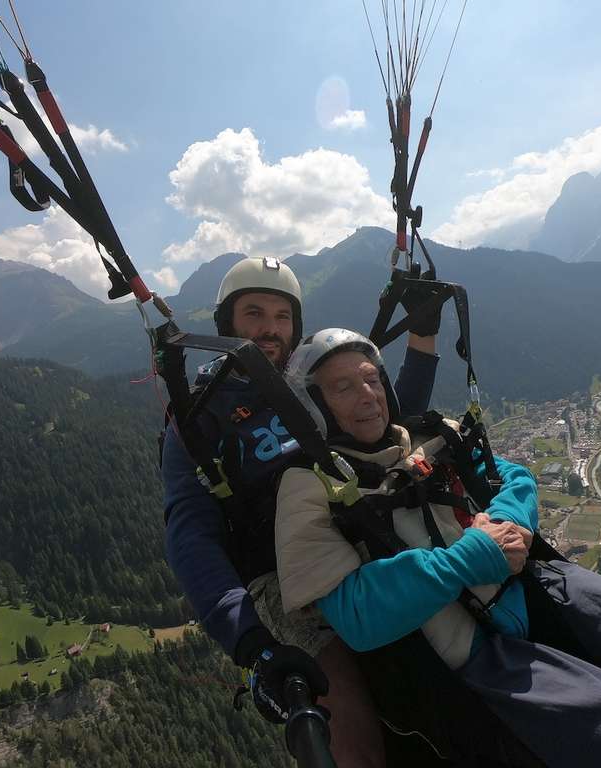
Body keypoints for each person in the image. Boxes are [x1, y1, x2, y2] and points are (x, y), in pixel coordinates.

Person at [274, 328, 601, 768]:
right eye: (343, 387)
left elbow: (513, 478)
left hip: (537, 585)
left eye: (371, 378)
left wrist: (507, 522)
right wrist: (470, 556)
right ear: (314, 407)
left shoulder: (429, 434)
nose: (367, 394)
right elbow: (355, 614)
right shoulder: (309, 488)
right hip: (480, 651)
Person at [162, 257, 442, 767]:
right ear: (227, 323)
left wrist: (422, 338)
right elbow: (191, 534)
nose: (270, 329)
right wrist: (251, 641)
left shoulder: (307, 380)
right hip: (283, 580)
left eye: (282, 316)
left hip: (361, 531)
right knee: (346, 709)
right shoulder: (200, 413)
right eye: (254, 314)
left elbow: (382, 421)